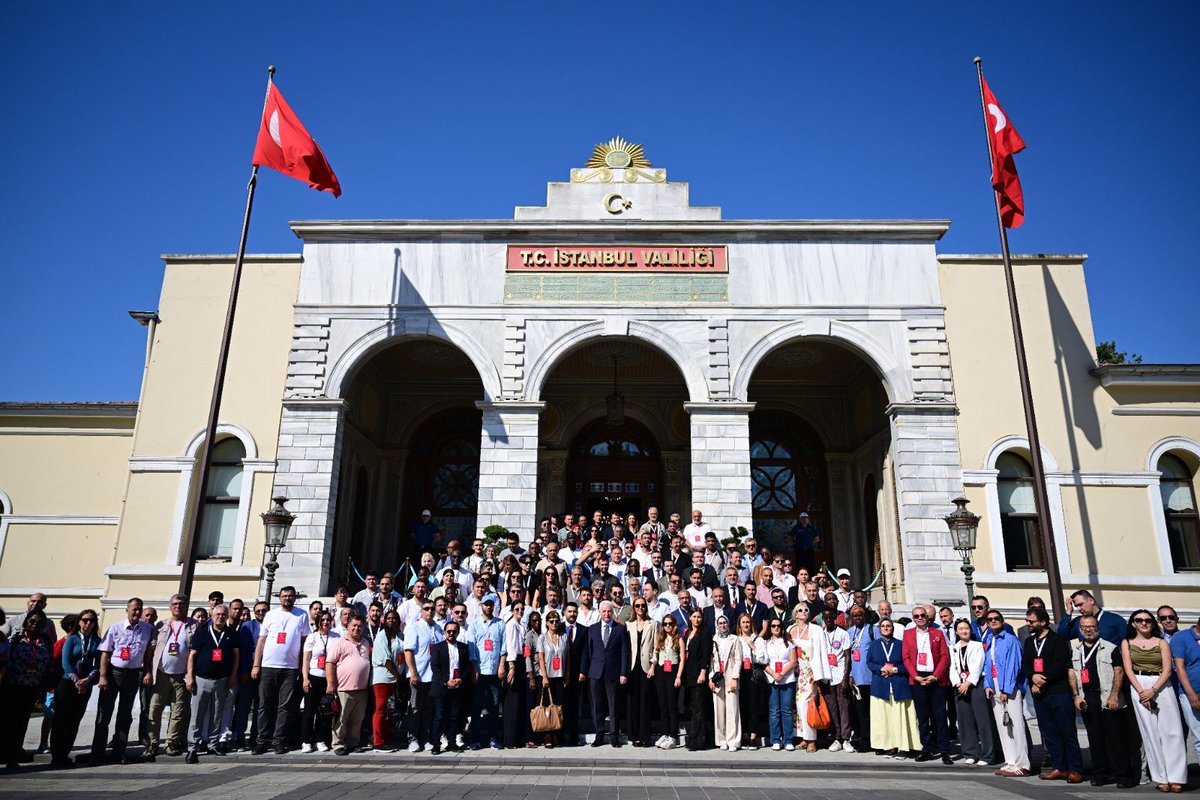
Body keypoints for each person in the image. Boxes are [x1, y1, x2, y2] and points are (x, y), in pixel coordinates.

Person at [1121, 609, 1187, 792]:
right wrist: (1142, 692)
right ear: (1133, 623)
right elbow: (1128, 669)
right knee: (1150, 733)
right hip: (1139, 685)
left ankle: (1176, 777)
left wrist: (1154, 690)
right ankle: (1161, 777)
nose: (1144, 623)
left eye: (1147, 620)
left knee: (1172, 731)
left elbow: (1167, 669)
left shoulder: (1162, 642)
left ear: (1153, 622)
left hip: (1161, 684)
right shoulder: (1127, 643)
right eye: (1139, 620)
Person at [1070, 613, 1138, 788]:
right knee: (1095, 739)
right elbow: (1072, 673)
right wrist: (1076, 695)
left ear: (1098, 628)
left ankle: (1123, 776)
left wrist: (1114, 695)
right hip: (1087, 698)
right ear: (1080, 629)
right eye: (1085, 627)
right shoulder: (1076, 650)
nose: (1088, 630)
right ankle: (1100, 774)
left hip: (1107, 696)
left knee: (1116, 739)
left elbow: (1119, 671)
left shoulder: (1110, 648)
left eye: (1091, 626)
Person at [89, 598, 156, 765]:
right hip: (114, 673)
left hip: (133, 674)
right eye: (134, 609)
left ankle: (119, 752)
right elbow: (105, 654)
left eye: (139, 609)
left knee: (125, 715)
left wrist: (147, 671)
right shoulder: (115, 628)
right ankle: (97, 753)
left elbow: (148, 654)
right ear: (127, 610)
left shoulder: (147, 629)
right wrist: (103, 676)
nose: (137, 612)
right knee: (104, 714)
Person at [1020, 606, 1081, 781]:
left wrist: (1042, 679)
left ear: (1043, 622)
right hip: (1040, 694)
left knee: (1067, 731)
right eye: (1027, 621)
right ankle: (1059, 767)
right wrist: (1033, 677)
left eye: (1031, 621)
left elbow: (1061, 663)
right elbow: (1026, 664)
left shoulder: (1057, 640)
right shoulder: (1029, 642)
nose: (1028, 624)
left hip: (1058, 691)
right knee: (1049, 732)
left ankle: (1075, 768)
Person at [252, 586, 311, 755]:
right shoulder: (270, 615)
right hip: (269, 666)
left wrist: (302, 666)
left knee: (284, 707)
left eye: (290, 596)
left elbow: (305, 641)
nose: (287, 598)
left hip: (290, 668)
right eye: (284, 596)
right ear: (279, 598)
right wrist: (256, 664)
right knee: (264, 705)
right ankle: (262, 741)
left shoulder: (302, 615)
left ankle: (279, 740)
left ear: (295, 598)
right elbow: (261, 642)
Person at [185, 604, 239, 763]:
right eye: (218, 614)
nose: (221, 617)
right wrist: (190, 676)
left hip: (222, 680)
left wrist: (232, 677)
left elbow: (236, 657)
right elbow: (192, 656)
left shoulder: (231, 633)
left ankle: (213, 743)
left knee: (217, 714)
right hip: (201, 679)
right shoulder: (202, 632)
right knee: (197, 715)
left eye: (224, 614)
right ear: (212, 615)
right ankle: (192, 747)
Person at [0, 611, 53, 769]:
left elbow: (48, 662)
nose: (35, 624)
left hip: (31, 689)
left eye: (40, 622)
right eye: (32, 621)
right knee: (5, 723)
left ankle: (13, 757)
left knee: (21, 725)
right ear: (26, 622)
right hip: (12, 687)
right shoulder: (16, 638)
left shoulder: (44, 641)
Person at [982, 609, 1032, 777]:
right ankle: (1010, 760)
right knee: (1003, 726)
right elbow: (988, 665)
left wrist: (1006, 689)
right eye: (990, 620)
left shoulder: (1011, 640)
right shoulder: (990, 639)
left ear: (1002, 621)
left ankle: (1022, 763)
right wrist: (988, 684)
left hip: (1009, 687)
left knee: (1016, 724)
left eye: (996, 618)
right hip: (994, 685)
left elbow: (1014, 666)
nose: (993, 621)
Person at [50, 609, 100, 768]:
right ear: (79, 621)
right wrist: (77, 680)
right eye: (85, 620)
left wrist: (88, 680)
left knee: (74, 720)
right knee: (61, 720)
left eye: (92, 620)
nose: (88, 623)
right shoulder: (72, 640)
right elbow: (66, 663)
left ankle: (65, 753)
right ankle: (56, 755)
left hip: (85, 685)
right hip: (67, 683)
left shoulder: (96, 640)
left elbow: (97, 664)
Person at [902, 604, 951, 764]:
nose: (920, 618)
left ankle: (944, 750)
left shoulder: (937, 633)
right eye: (916, 616)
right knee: (922, 717)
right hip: (918, 679)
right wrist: (915, 676)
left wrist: (936, 676)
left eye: (922, 615)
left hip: (935, 678)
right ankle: (926, 749)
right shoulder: (908, 634)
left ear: (927, 617)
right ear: (913, 618)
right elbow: (906, 658)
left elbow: (945, 656)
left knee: (940, 717)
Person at [866, 618, 921, 758]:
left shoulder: (901, 644)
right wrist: (881, 668)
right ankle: (889, 746)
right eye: (883, 626)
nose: (885, 628)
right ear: (879, 629)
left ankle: (903, 747)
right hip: (881, 686)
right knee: (885, 718)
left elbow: (908, 664)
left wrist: (895, 669)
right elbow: (869, 662)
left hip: (899, 684)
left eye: (888, 626)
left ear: (893, 628)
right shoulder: (874, 645)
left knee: (900, 718)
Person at [582, 600, 630, 747]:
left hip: (613, 672)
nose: (607, 614)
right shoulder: (593, 629)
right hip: (596, 672)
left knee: (613, 704)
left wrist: (624, 673)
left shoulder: (620, 629)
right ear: (599, 612)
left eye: (609, 611)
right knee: (597, 705)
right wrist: (588, 670)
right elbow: (588, 651)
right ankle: (599, 735)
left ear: (612, 612)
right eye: (604, 611)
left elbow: (625, 652)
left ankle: (614, 735)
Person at [325, 616, 373, 756]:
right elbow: (330, 663)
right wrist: (331, 683)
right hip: (344, 688)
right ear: (348, 626)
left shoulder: (365, 642)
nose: (357, 628)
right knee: (342, 718)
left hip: (362, 688)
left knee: (357, 718)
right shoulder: (340, 642)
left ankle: (353, 742)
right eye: (354, 625)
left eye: (359, 626)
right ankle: (338, 744)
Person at [948, 619, 992, 766]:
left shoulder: (978, 646)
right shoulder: (953, 648)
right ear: (956, 631)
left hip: (975, 685)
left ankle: (987, 754)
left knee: (982, 720)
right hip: (960, 687)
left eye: (966, 628)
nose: (963, 631)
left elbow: (978, 665)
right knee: (964, 721)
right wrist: (957, 683)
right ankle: (971, 752)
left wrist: (968, 682)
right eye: (960, 629)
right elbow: (952, 668)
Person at [404, 599, 444, 753]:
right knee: (415, 708)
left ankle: (425, 738)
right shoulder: (414, 627)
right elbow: (408, 651)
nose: (429, 611)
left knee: (428, 709)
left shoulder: (438, 628)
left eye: (432, 609)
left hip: (432, 676)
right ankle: (412, 739)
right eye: (426, 608)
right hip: (418, 674)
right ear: (421, 611)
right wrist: (413, 672)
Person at [789, 604, 829, 752]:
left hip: (808, 672)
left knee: (806, 704)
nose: (804, 612)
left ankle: (812, 739)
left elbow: (821, 653)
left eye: (806, 610)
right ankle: (803, 737)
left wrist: (818, 676)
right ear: (795, 614)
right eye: (800, 610)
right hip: (792, 672)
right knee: (796, 707)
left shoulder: (816, 630)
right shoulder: (790, 630)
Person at [431, 619, 474, 754]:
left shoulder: (463, 647)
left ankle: (452, 742)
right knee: (439, 716)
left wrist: (461, 679)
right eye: (448, 631)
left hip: (457, 687)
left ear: (458, 632)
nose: (451, 633)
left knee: (454, 716)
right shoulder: (438, 647)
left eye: (454, 631)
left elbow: (467, 667)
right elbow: (435, 667)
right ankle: (436, 745)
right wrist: (445, 682)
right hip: (442, 687)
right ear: (444, 632)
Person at [467, 596, 504, 749]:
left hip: (494, 670)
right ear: (481, 605)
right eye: (486, 605)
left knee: (494, 706)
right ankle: (475, 739)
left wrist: (502, 666)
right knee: (477, 706)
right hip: (480, 670)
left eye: (491, 605)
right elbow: (472, 649)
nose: (489, 607)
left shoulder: (500, 623)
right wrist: (474, 669)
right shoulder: (474, 624)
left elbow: (504, 647)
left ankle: (494, 738)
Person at [300, 611, 337, 753]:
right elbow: (306, 659)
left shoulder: (336, 637)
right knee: (309, 711)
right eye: (323, 620)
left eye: (328, 620)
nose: (326, 622)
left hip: (328, 678)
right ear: (318, 622)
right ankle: (306, 740)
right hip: (314, 676)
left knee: (325, 711)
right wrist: (305, 678)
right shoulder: (312, 637)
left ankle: (320, 739)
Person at [626, 596, 658, 747]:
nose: (640, 608)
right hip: (632, 668)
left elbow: (656, 648)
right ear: (634, 608)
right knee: (633, 702)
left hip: (646, 667)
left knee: (645, 701)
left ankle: (645, 736)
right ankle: (635, 735)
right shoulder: (628, 625)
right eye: (637, 606)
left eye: (643, 606)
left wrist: (653, 665)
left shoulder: (652, 624)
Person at [371, 609, 404, 752]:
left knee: (389, 711)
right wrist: (398, 676)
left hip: (395, 679)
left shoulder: (400, 635)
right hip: (383, 678)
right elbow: (386, 659)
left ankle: (386, 738)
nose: (392, 620)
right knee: (380, 710)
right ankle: (377, 742)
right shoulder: (382, 636)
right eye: (389, 618)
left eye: (394, 618)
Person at [1169, 611, 1200, 765]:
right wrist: (1191, 694)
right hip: (1192, 693)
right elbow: (1180, 668)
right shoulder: (1181, 638)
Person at [534, 609, 567, 748]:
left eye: (557, 621)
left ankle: (557, 734)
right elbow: (540, 657)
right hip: (548, 676)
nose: (554, 623)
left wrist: (568, 674)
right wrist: (544, 676)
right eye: (551, 621)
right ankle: (547, 736)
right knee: (547, 707)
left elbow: (568, 656)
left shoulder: (563, 636)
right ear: (547, 623)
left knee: (558, 707)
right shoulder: (542, 637)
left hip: (560, 675)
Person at [845, 606, 876, 751]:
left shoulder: (872, 630)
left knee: (872, 712)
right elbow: (848, 657)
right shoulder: (850, 632)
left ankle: (873, 740)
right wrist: (850, 675)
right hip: (856, 679)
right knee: (860, 713)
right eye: (854, 615)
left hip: (870, 677)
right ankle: (864, 739)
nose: (857, 617)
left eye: (860, 615)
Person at [762, 617, 796, 750]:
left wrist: (781, 673)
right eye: (773, 626)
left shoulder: (789, 643)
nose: (776, 628)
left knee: (787, 711)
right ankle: (775, 739)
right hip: (772, 679)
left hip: (787, 679)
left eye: (778, 626)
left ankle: (788, 740)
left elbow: (793, 661)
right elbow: (763, 662)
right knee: (774, 711)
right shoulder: (766, 643)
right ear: (770, 628)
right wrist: (773, 674)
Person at [710, 614, 742, 751]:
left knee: (732, 708)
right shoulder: (713, 639)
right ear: (717, 625)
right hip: (718, 676)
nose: (722, 625)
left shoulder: (734, 639)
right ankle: (721, 740)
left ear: (728, 624)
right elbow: (710, 661)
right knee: (719, 708)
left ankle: (733, 740)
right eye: (720, 623)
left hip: (730, 675)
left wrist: (735, 677)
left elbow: (738, 659)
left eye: (725, 623)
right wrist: (711, 677)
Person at [682, 608, 712, 751]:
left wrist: (703, 672)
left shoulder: (705, 633)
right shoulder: (687, 633)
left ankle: (698, 741)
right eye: (694, 616)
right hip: (689, 673)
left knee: (699, 707)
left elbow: (706, 654)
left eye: (699, 617)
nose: (696, 619)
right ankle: (694, 737)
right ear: (690, 618)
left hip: (699, 673)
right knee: (693, 707)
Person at [735, 613, 766, 750]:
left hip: (753, 673)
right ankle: (745, 735)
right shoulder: (736, 639)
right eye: (743, 622)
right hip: (741, 673)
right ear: (739, 625)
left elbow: (764, 659)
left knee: (754, 705)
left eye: (748, 622)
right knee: (742, 705)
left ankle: (753, 737)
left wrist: (753, 647)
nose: (746, 625)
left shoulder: (758, 640)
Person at [500, 601, 529, 748]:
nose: (520, 611)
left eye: (522, 609)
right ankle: (510, 739)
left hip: (521, 660)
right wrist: (511, 667)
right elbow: (510, 645)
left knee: (519, 701)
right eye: (517, 609)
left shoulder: (521, 625)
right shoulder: (511, 624)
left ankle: (517, 737)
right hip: (514, 662)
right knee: (512, 701)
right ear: (512, 611)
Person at [653, 613, 683, 749]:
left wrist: (678, 676)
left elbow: (683, 659)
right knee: (663, 705)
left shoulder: (679, 639)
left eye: (670, 624)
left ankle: (673, 735)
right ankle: (664, 733)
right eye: (665, 624)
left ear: (674, 624)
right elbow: (655, 654)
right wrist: (652, 668)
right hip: (661, 671)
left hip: (673, 671)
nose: (667, 626)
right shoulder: (660, 638)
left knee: (672, 705)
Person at [1060, 590, 1125, 645]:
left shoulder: (1115, 620)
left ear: (1091, 600)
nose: (1078, 609)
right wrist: (1068, 612)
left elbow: (1126, 645)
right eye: (1076, 606)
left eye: (1080, 604)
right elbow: (1061, 637)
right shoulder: (1078, 621)